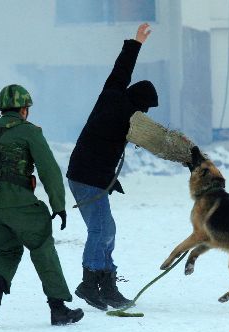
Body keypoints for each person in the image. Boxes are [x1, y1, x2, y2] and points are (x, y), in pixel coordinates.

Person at [0, 84, 83, 326]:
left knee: (7, 250)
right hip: (19, 204)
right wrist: (58, 205)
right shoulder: (29, 132)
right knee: (41, 246)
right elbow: (48, 169)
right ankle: (58, 308)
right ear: (23, 110)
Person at [66, 23, 159, 310]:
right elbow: (157, 140)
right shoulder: (126, 111)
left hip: (89, 175)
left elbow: (122, 70)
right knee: (101, 230)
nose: (144, 114)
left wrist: (136, 42)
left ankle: (106, 285)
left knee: (107, 229)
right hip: (86, 176)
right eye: (145, 108)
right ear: (140, 103)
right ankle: (89, 282)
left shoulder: (113, 92)